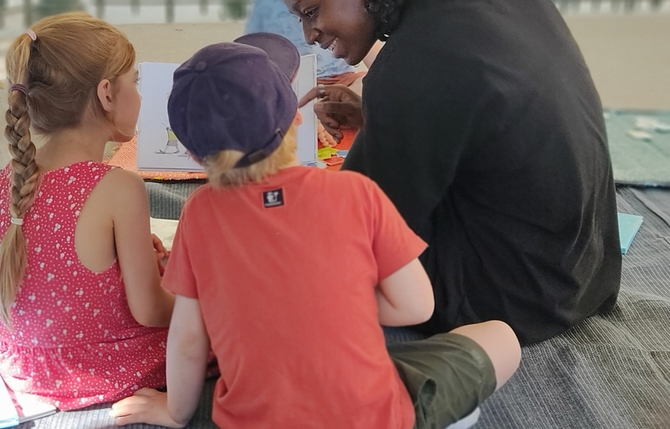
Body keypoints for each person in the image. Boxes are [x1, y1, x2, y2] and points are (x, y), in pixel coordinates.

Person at [109, 41, 521, 429]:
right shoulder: (355, 192)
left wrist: (174, 412)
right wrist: (334, 296)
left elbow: (187, 339)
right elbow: (417, 305)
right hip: (374, 414)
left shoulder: (199, 213)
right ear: (297, 117)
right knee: (502, 338)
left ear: (193, 156)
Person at [277, 0, 621, 345]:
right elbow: (479, 108)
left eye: (311, 12)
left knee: (304, 249)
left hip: (514, 299)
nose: (309, 35)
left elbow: (356, 228)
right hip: (586, 267)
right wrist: (377, 116)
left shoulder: (412, 64)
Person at [0, 12, 174, 410]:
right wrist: (205, 299)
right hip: (93, 368)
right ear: (106, 94)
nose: (140, 96)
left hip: (16, 362)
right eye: (135, 82)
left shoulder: (12, 177)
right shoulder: (118, 186)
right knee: (235, 310)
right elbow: (152, 311)